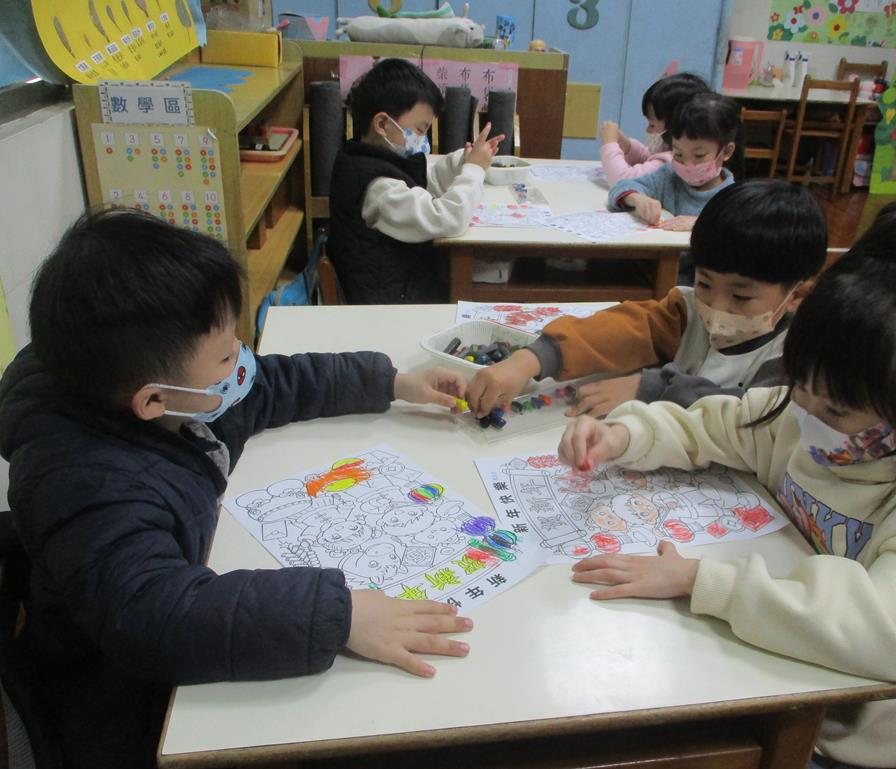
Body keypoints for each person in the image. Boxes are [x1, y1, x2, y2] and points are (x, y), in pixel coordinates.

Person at [0, 209, 475, 769]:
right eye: (226, 357)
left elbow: (269, 385)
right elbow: (156, 615)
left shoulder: (165, 394)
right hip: (122, 702)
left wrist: (391, 381)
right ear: (153, 400)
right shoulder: (86, 485)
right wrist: (339, 614)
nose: (242, 363)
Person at [558, 203, 896, 768]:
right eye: (799, 389)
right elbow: (722, 424)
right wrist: (625, 435)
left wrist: (701, 580)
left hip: (845, 733)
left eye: (835, 410)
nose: (804, 416)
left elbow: (893, 632)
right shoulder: (809, 410)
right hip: (758, 669)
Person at [466, 179, 826, 418]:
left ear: (796, 295)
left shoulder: (794, 356)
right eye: (704, 284)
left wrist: (653, 388)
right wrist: (531, 359)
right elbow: (620, 330)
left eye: (741, 296)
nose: (716, 307)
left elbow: (748, 414)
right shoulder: (687, 312)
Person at [328, 58, 504, 303]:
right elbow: (447, 218)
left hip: (399, 282)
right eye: (420, 130)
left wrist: (464, 160)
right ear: (382, 124)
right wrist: (473, 170)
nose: (423, 139)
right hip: (390, 303)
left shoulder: (369, 157)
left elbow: (425, 182)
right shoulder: (377, 188)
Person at [608, 92, 740, 233]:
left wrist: (702, 224)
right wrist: (636, 198)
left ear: (726, 151)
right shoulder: (668, 177)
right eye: (678, 154)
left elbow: (739, 234)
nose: (687, 165)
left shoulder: (733, 199)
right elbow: (620, 187)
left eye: (699, 155)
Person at [600, 73, 710, 185]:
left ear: (674, 125)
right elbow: (649, 157)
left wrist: (610, 144)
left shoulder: (670, 163)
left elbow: (624, 181)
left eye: (652, 125)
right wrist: (627, 146)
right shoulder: (669, 151)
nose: (648, 130)